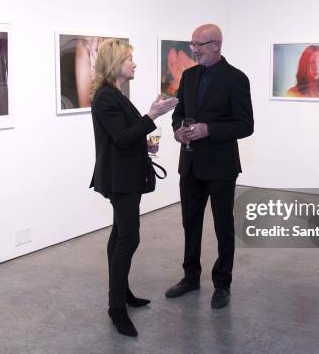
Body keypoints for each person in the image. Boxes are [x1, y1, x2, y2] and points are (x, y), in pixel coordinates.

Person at [89, 39, 178, 337]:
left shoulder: (116, 94)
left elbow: (128, 134)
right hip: (119, 179)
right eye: (129, 59)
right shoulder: (105, 97)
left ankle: (123, 293)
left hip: (126, 176)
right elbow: (123, 138)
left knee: (120, 235)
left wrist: (149, 122)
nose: (134, 63)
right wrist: (152, 115)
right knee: (129, 238)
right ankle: (116, 308)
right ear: (116, 63)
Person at [166, 24, 254, 309]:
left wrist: (209, 130)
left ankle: (222, 283)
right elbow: (179, 113)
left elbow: (245, 125)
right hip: (189, 163)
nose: (194, 49)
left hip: (220, 166)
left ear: (216, 45)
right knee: (190, 224)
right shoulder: (189, 76)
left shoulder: (236, 79)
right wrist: (178, 130)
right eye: (192, 44)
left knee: (223, 226)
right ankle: (190, 277)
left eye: (198, 44)